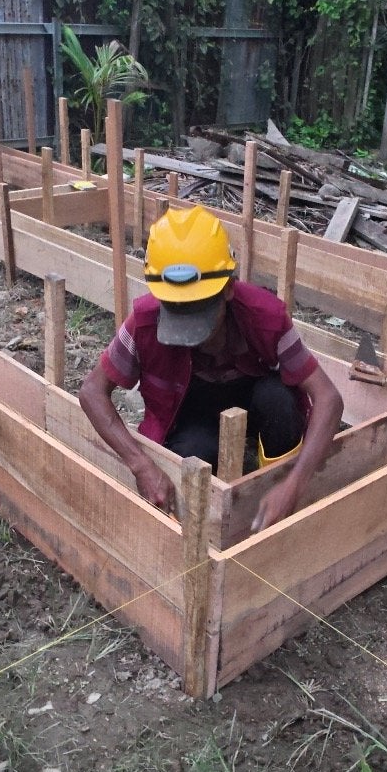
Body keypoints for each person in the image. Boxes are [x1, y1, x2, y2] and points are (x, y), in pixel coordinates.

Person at [81, 204, 343, 531]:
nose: (190, 328)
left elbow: (329, 398)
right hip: (190, 412)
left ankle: (275, 491)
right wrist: (141, 465)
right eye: (177, 310)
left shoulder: (266, 317)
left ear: (229, 288)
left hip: (253, 399)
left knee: (279, 402)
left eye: (200, 310)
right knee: (193, 454)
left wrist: (294, 484)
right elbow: (92, 391)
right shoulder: (144, 323)